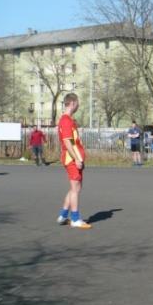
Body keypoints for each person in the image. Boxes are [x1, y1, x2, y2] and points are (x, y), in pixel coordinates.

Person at [56, 93, 92, 229]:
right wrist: (76, 158)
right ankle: (75, 219)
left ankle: (63, 216)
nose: (79, 105)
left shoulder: (69, 120)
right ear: (72, 103)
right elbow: (67, 142)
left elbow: (73, 141)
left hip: (75, 159)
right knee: (75, 189)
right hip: (72, 159)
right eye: (78, 103)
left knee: (75, 188)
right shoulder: (66, 120)